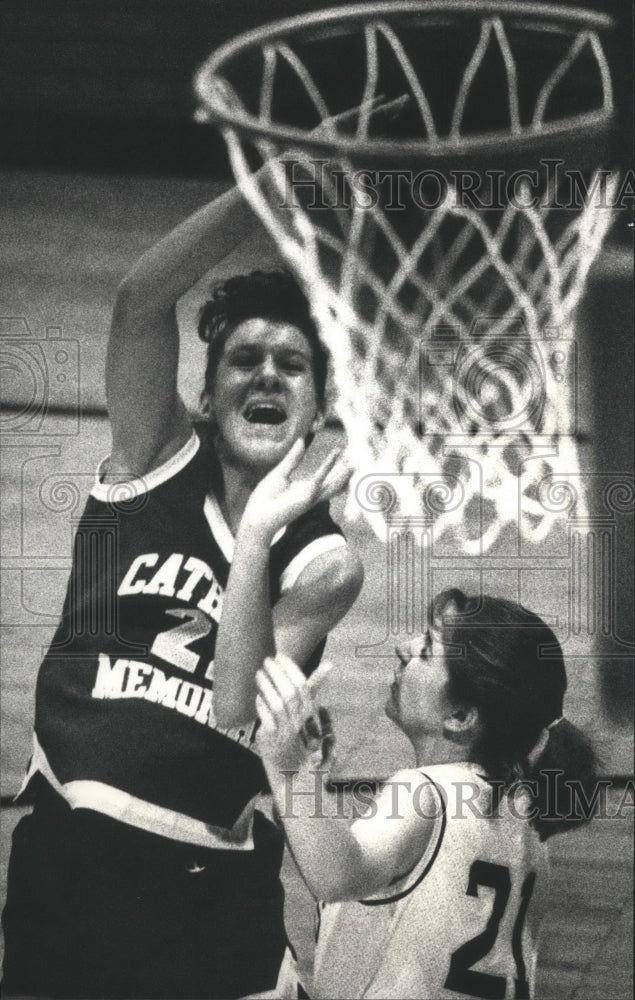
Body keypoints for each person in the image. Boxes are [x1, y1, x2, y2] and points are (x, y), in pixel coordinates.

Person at [1, 184, 363, 999]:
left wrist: (260, 531)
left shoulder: (323, 562)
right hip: (69, 861)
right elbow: (140, 299)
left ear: (317, 406)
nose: (266, 374)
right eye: (243, 359)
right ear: (206, 393)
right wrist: (265, 184)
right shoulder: (152, 459)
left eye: (292, 364)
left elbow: (235, 703)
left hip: (208, 883)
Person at [256, 588, 600, 999]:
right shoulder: (526, 828)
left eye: (426, 651)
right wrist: (307, 790)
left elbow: (338, 876)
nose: (404, 648)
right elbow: (362, 879)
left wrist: (288, 768)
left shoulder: (424, 794)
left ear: (460, 716)